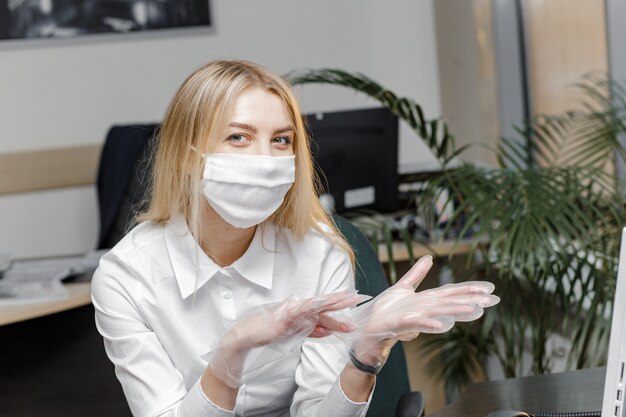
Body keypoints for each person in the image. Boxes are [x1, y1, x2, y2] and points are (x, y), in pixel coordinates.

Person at [91, 60, 499, 417]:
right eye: (239, 137)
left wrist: (365, 354)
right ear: (185, 154)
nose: (266, 161)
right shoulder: (126, 276)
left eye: (281, 140)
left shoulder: (320, 252)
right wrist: (230, 355)